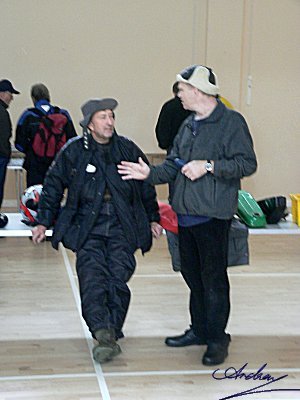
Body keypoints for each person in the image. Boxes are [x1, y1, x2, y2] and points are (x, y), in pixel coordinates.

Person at [118, 65, 257, 366]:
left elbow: (246, 163)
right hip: (185, 215)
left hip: (213, 217)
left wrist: (208, 166)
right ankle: (200, 330)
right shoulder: (188, 124)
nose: (178, 94)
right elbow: (172, 165)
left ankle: (218, 339)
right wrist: (148, 173)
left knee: (213, 280)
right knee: (193, 278)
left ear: (197, 91)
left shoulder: (231, 123)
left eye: (181, 89)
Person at [32, 98, 162, 363]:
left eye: (112, 116)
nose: (110, 122)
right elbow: (53, 186)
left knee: (117, 278)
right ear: (89, 123)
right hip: (86, 228)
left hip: (121, 226)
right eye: (103, 117)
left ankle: (110, 330)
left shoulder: (127, 149)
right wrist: (43, 221)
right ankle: (103, 334)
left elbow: (145, 186)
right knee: (92, 280)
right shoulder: (73, 151)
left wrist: (153, 218)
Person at [155, 82, 191, 272]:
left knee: (175, 207)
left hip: (175, 161)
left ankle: (178, 258)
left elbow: (161, 137)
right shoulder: (206, 110)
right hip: (201, 163)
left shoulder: (169, 107)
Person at [15, 83, 77, 188]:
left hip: (35, 166)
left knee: (35, 196)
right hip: (58, 165)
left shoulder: (28, 115)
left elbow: (19, 144)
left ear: (33, 98)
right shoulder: (63, 114)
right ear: (48, 96)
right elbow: (72, 141)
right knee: (55, 196)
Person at [0, 79, 20, 213]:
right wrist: (5, 154)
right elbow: (4, 136)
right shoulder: (2, 112)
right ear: (1, 93)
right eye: (9, 93)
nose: (11, 97)